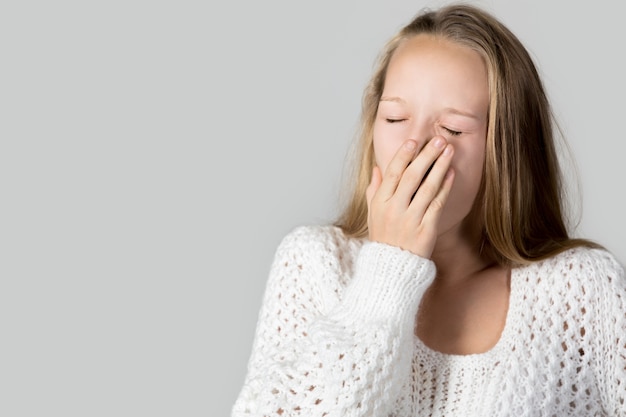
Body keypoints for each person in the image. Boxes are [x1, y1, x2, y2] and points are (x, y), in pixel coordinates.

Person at [231, 4, 626, 416]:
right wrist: (388, 270)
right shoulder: (315, 264)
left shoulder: (581, 290)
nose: (413, 146)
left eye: (452, 129)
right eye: (395, 117)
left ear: (506, 151)